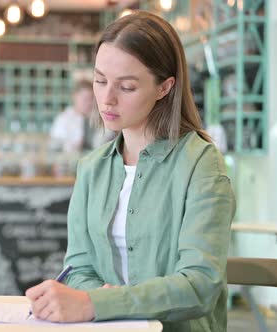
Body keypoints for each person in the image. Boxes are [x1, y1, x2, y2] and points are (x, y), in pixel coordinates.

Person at [25, 11, 236, 332]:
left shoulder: (201, 163)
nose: (106, 99)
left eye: (126, 87)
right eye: (99, 81)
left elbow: (199, 284)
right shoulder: (92, 169)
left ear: (165, 87)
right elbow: (79, 267)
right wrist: (93, 304)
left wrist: (96, 304)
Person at [49, 80, 95, 152]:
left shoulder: (96, 120)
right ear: (75, 96)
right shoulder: (63, 119)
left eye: (91, 98)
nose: (88, 103)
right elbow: (54, 146)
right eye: (85, 98)